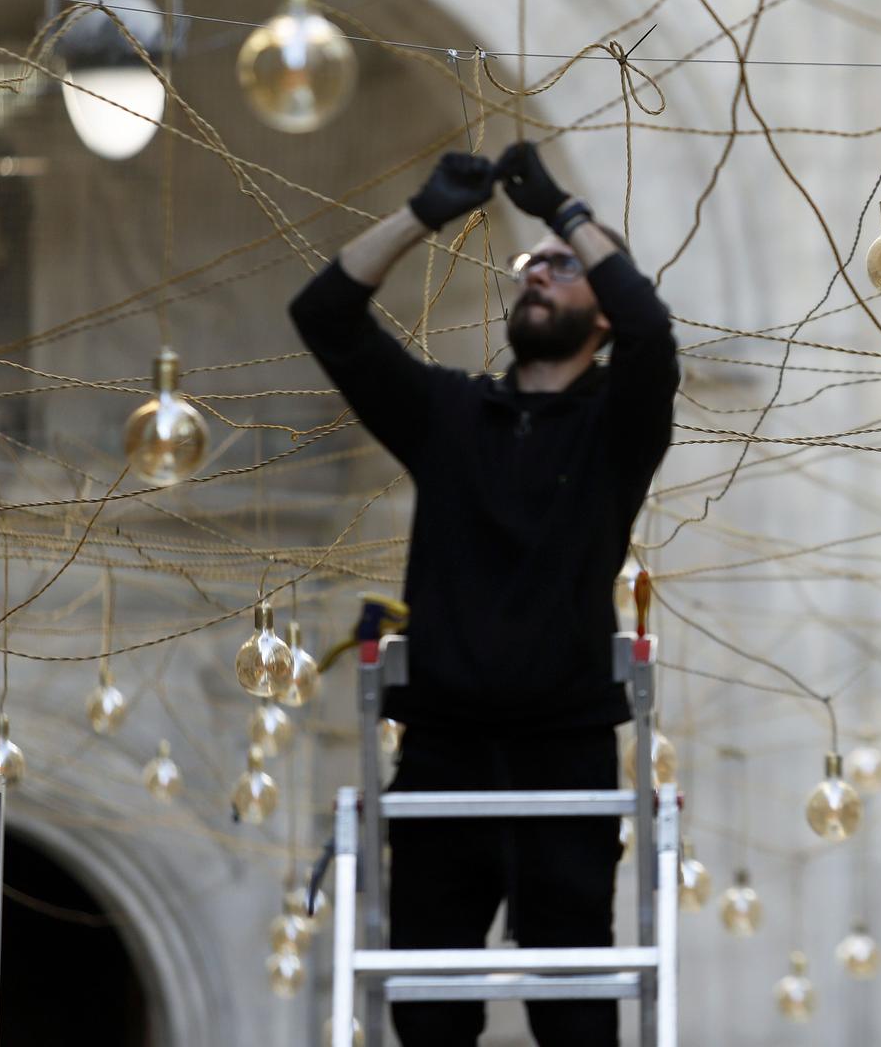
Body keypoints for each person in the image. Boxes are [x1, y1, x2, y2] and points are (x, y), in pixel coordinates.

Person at [289, 142, 678, 1046]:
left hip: (565, 750)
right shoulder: (450, 416)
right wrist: (423, 214)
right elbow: (326, 315)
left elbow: (656, 335)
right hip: (445, 753)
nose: (541, 270)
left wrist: (566, 213)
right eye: (532, 263)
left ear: (604, 314)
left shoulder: (619, 423)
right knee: (429, 1008)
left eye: (566, 268)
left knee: (575, 1009)